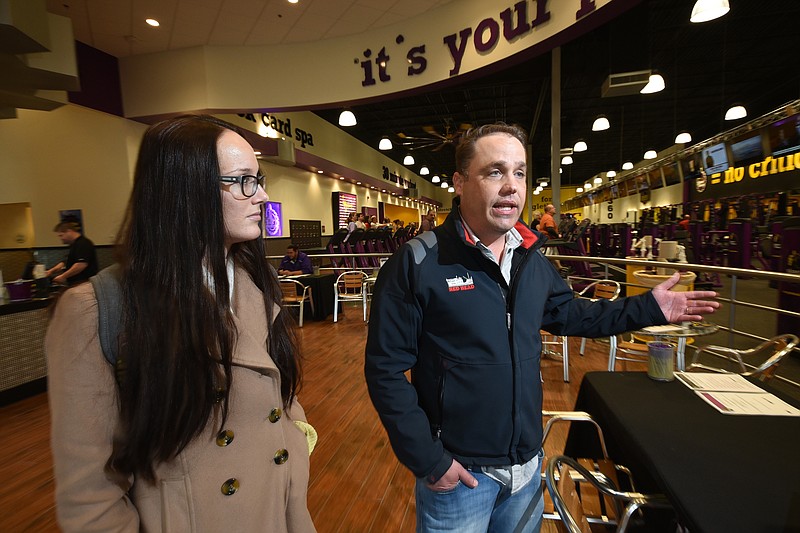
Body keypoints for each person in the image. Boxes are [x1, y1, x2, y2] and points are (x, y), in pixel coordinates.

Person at [364, 123, 719, 533]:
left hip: (527, 466)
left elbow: (575, 315)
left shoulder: (531, 259)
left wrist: (649, 307)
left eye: (519, 173)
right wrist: (429, 459)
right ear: (459, 183)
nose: (511, 186)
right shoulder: (418, 263)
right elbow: (385, 370)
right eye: (495, 171)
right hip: (460, 474)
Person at [46, 115, 316, 532]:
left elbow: (276, 394)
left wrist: (296, 438)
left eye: (257, 178)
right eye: (243, 180)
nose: (262, 195)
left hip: (281, 513)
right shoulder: (98, 309)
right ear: (185, 192)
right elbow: (90, 494)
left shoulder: (255, 281)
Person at [45, 221, 98, 286]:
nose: (61, 239)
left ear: (69, 231)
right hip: (77, 283)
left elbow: (81, 264)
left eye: (61, 235)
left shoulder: (83, 243)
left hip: (84, 283)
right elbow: (64, 262)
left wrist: (63, 276)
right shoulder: (74, 244)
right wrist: (51, 271)